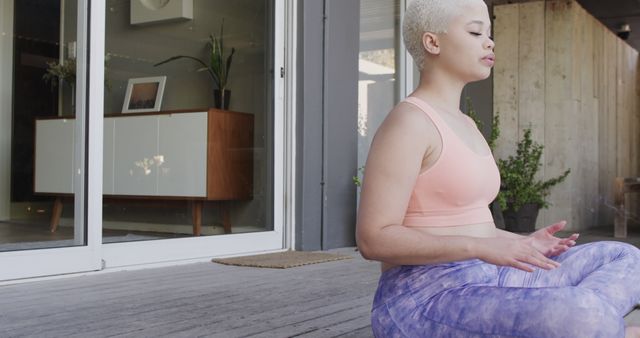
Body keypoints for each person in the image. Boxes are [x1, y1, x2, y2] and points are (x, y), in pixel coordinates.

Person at [355, 0, 640, 337]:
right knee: (584, 313)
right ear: (433, 42)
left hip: (490, 276)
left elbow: (467, 224)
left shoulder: (465, 124)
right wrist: (484, 248)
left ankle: (597, 327)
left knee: (625, 258)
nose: (489, 42)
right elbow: (373, 239)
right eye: (475, 32)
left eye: (489, 34)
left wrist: (521, 242)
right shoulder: (408, 123)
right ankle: (602, 327)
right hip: (425, 297)